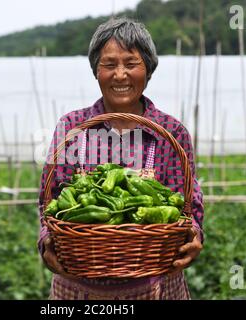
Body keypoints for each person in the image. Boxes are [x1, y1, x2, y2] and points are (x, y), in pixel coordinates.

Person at [37, 17, 204, 300]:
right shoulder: (73, 127)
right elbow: (49, 198)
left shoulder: (171, 132)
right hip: (78, 285)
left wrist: (195, 234)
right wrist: (46, 240)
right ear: (96, 71)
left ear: (148, 70)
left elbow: (188, 203)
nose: (120, 75)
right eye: (109, 64)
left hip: (157, 283)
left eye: (131, 63)